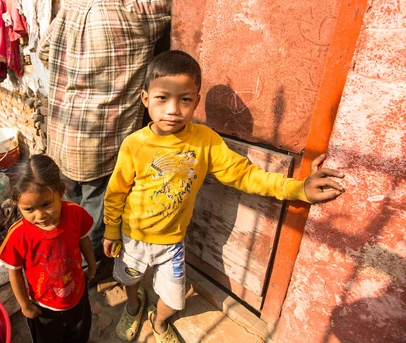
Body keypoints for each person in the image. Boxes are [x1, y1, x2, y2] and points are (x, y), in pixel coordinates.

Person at [103, 51, 346, 343]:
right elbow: (116, 192)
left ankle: (159, 320)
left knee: (173, 296)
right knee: (130, 278)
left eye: (184, 100)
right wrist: (111, 229)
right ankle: (133, 305)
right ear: (145, 99)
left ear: (196, 100)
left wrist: (297, 189)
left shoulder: (205, 141)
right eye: (162, 98)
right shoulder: (134, 145)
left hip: (172, 242)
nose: (173, 110)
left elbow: (244, 174)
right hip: (132, 236)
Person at [38, 0, 172, 264]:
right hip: (100, 146)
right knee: (95, 218)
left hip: (61, 139)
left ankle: (67, 256)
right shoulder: (134, 10)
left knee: (68, 209)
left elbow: (44, 52)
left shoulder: (70, 7)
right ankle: (89, 268)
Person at [0, 155, 97, 343]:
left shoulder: (75, 213)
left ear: (60, 191)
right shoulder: (18, 235)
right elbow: (14, 273)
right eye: (29, 209)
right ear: (18, 204)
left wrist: (92, 266)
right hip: (44, 307)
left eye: (46, 204)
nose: (40, 215)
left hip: (78, 295)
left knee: (80, 334)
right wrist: (25, 305)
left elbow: (84, 241)